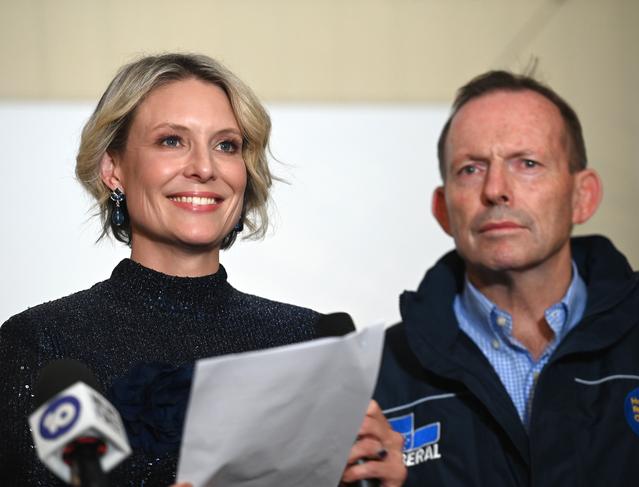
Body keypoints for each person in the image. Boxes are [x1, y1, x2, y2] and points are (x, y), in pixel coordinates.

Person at [0, 53, 405, 486]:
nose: (205, 168)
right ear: (112, 167)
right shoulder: (38, 345)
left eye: (226, 145)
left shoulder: (309, 342)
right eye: (172, 140)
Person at [373, 70, 639, 485]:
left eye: (528, 163)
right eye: (470, 169)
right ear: (444, 208)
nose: (496, 189)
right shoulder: (376, 376)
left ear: (582, 196)